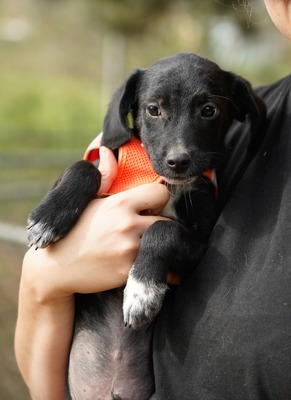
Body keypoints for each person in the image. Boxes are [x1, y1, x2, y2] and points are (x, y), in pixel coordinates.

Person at [15, 1, 291, 399]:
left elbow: (191, 244)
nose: (178, 149)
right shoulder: (141, 157)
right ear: (129, 114)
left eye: (207, 111)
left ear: (238, 111)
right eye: (156, 111)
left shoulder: (229, 154)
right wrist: (43, 277)